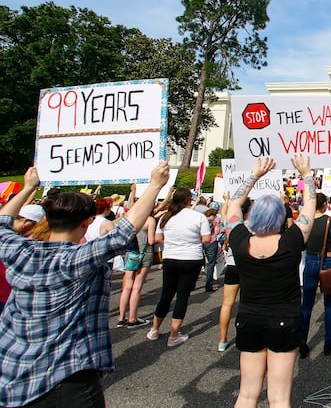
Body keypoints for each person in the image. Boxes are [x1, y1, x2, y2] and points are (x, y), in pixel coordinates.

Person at [0, 163, 169, 407]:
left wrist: (27, 189)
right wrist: (155, 185)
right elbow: (121, 234)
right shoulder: (75, 259)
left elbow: (3, 222)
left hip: (15, 373)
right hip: (65, 376)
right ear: (86, 223)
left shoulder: (22, 251)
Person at [227, 155, 316, 408]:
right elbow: (310, 205)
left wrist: (255, 175)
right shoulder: (291, 241)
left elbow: (233, 206)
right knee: (278, 398)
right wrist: (306, 174)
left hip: (249, 318)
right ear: (280, 217)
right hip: (284, 319)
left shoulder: (240, 240)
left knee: (246, 394)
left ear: (253, 217)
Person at [146, 188, 213, 347]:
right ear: (189, 199)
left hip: (170, 257)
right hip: (191, 258)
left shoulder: (165, 216)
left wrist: (173, 242)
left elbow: (157, 238)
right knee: (182, 296)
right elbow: (206, 239)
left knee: (166, 294)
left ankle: (154, 329)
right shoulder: (198, 217)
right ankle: (174, 334)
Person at [300, 192, 331, 358]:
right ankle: (328, 342)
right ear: (325, 204)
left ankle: (302, 341)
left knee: (307, 304)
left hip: (310, 260)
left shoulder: (305, 221)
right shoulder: (329, 221)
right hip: (328, 261)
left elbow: (301, 245)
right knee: (329, 304)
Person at [115, 193, 156, 328]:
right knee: (137, 287)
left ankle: (121, 318)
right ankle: (132, 318)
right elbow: (151, 240)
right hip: (145, 253)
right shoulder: (149, 220)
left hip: (130, 253)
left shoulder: (128, 219)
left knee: (127, 286)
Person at [217, 192, 252, 352]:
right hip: (248, 266)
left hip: (232, 265)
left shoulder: (232, 224)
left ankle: (222, 340)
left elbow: (224, 213)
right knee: (247, 304)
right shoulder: (255, 225)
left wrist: (226, 201)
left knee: (227, 304)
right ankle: (245, 336)